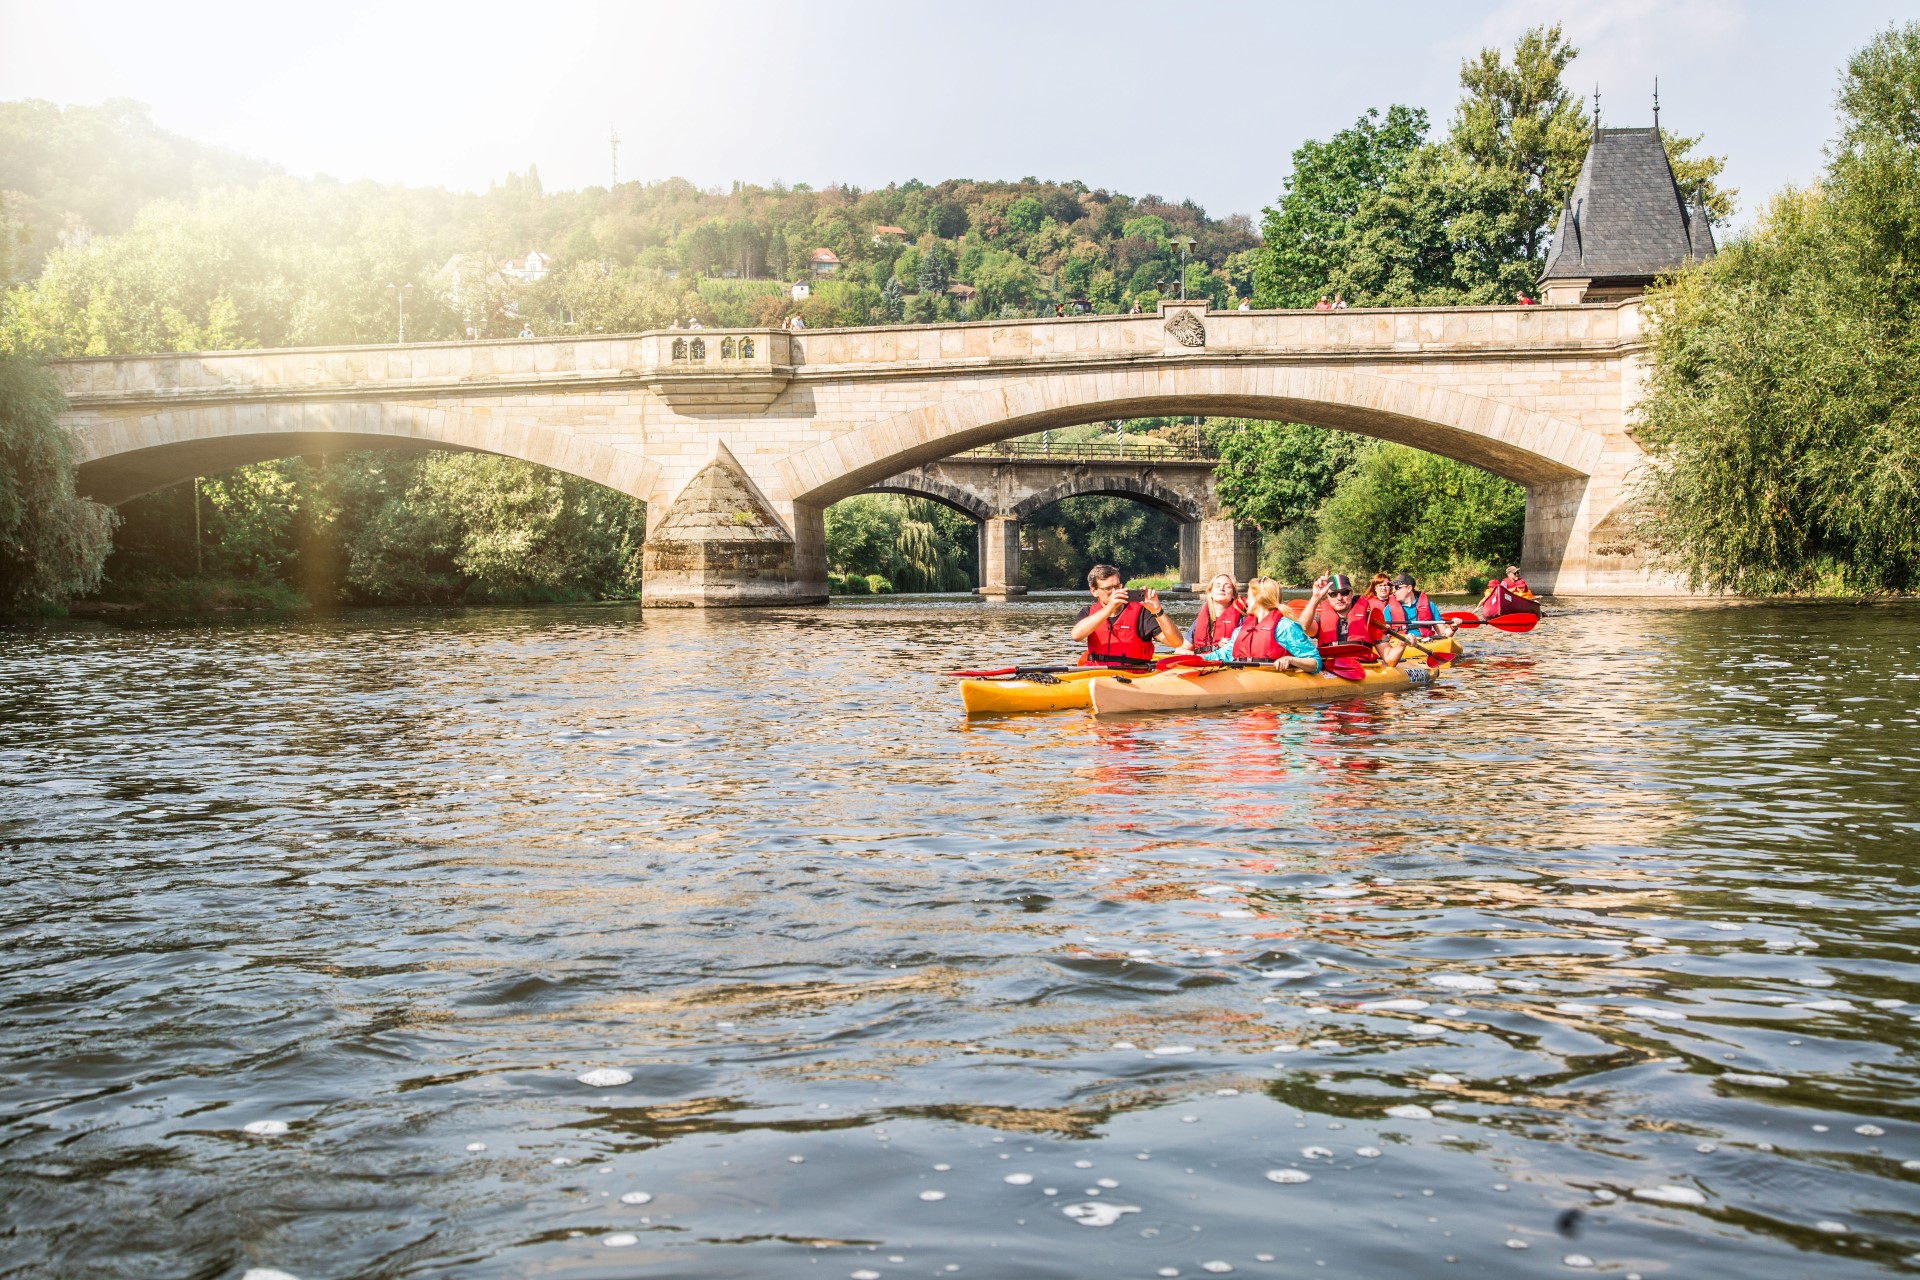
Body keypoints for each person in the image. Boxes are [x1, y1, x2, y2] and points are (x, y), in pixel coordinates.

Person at [1070, 564, 1182, 667]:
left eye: (1117, 586)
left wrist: (1158, 611)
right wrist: (1110, 608)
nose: (1115, 592)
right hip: (1097, 674)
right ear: (1094, 591)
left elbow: (1176, 642)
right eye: (1108, 588)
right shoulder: (1087, 613)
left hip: (1132, 676)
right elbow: (1076, 636)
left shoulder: (1142, 612)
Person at [1198, 577, 1320, 671]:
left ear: (1259, 599)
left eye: (1249, 597)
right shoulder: (1240, 630)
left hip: (1272, 679)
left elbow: (1315, 662)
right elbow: (1223, 654)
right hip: (1244, 676)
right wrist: (1200, 658)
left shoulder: (1285, 627)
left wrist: (1291, 659)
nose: (1246, 601)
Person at [1378, 572, 1453, 663]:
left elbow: (1443, 634)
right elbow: (1384, 635)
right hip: (1401, 644)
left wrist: (1454, 628)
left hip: (1426, 642)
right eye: (1393, 588)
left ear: (1409, 588)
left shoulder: (1429, 606)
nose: (1393, 591)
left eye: (1397, 588)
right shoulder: (1388, 609)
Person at [1300, 573, 1373, 646]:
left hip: (1359, 657)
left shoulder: (1368, 618)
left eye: (1344, 592)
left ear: (1351, 594)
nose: (1339, 598)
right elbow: (1304, 627)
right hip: (1330, 657)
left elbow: (1383, 645)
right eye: (1333, 594)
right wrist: (1316, 597)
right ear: (1328, 596)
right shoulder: (1320, 619)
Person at [1178, 573, 1244, 653]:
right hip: (1203, 662)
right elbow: (1183, 648)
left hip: (1227, 663)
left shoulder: (1242, 620)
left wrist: (1233, 644)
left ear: (1233, 594)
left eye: (1227, 586)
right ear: (1210, 593)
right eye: (1217, 586)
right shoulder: (1199, 621)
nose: (1222, 589)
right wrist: (1181, 650)